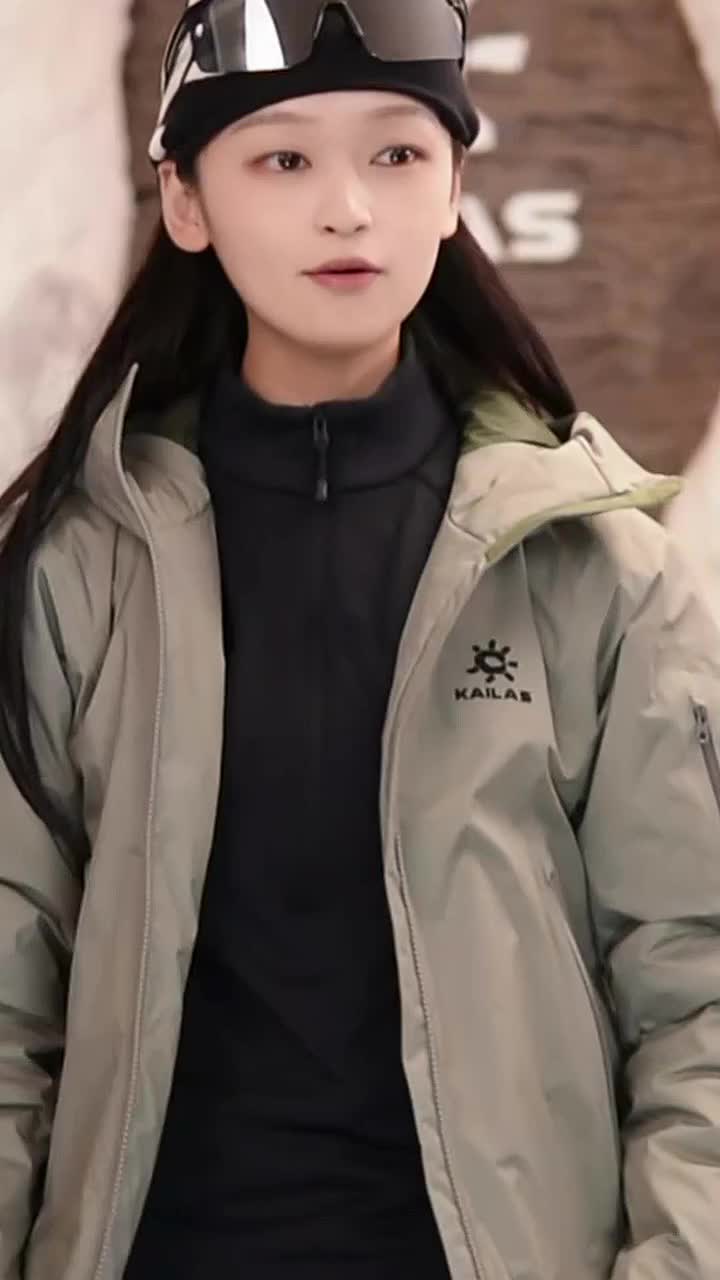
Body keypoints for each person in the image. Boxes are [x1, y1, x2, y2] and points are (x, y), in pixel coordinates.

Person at [1, 2, 719, 1278]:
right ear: (186, 200)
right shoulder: (76, 566)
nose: (349, 209)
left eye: (397, 153)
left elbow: (698, 994)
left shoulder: (600, 573)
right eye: (284, 158)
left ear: (454, 191)